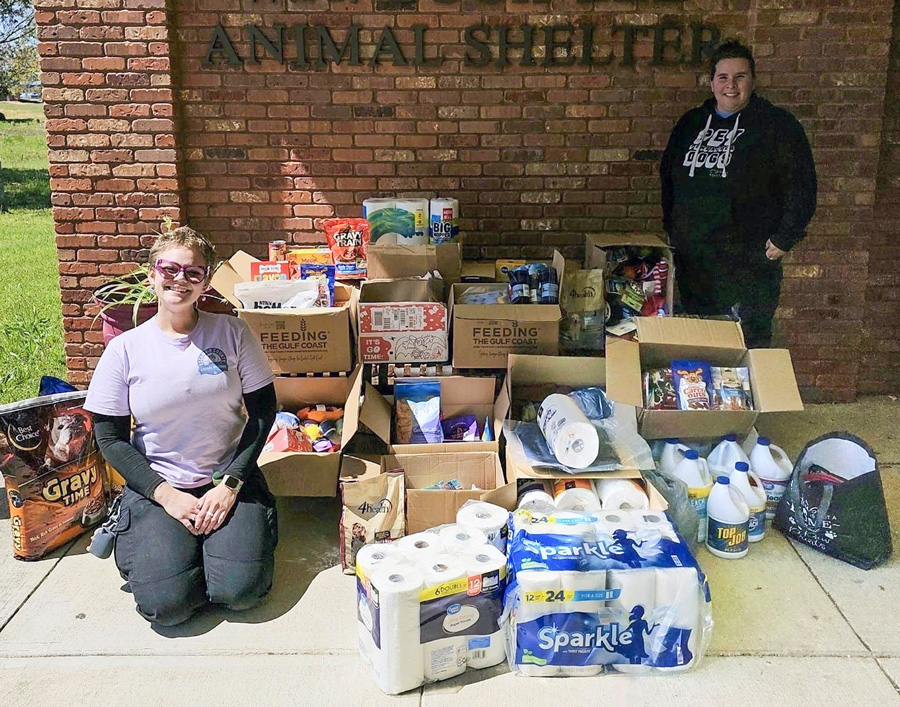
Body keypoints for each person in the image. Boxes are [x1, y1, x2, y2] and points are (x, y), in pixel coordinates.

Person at [85, 226, 278, 628]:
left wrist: (230, 485)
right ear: (151, 275)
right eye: (169, 269)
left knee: (241, 592)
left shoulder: (233, 333)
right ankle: (158, 545)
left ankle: (233, 542)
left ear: (205, 282)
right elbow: (110, 438)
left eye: (193, 272)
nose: (180, 280)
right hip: (160, 486)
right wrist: (166, 496)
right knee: (168, 607)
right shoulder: (125, 350)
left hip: (227, 481)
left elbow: (263, 413)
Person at [660, 39, 817, 347]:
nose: (731, 85)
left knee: (748, 345)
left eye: (740, 76)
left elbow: (802, 185)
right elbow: (668, 177)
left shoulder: (777, 126)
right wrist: (673, 228)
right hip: (696, 262)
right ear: (711, 83)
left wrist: (785, 238)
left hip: (750, 262)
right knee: (701, 344)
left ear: (752, 81)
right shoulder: (691, 124)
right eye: (723, 77)